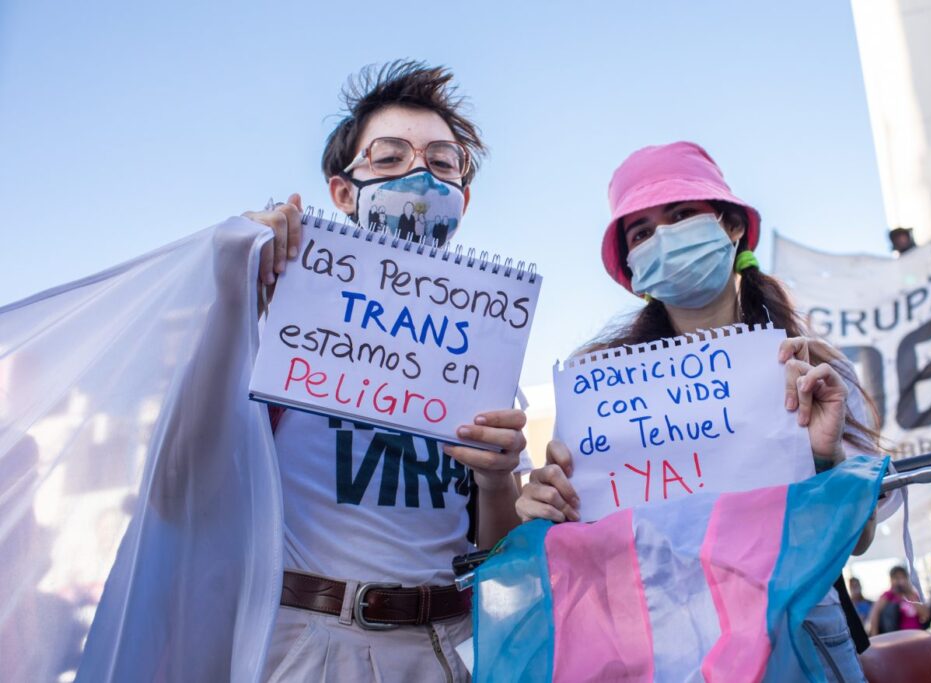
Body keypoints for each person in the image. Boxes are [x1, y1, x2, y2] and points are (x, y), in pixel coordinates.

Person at [516, 141, 894, 682]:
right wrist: (547, 509)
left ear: (732, 225)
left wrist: (825, 457)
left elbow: (855, 541)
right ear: (633, 269)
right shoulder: (599, 396)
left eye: (680, 215)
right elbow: (592, 557)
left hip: (800, 643)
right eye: (641, 232)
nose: (663, 238)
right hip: (664, 656)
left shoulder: (815, 371)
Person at [241, 61, 527, 682]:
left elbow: (497, 549)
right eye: (390, 158)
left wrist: (500, 480)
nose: (420, 175)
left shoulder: (489, 352)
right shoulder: (277, 325)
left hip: (449, 647)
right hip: (310, 645)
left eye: (443, 163)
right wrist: (234, 289)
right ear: (343, 192)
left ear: (464, 198)